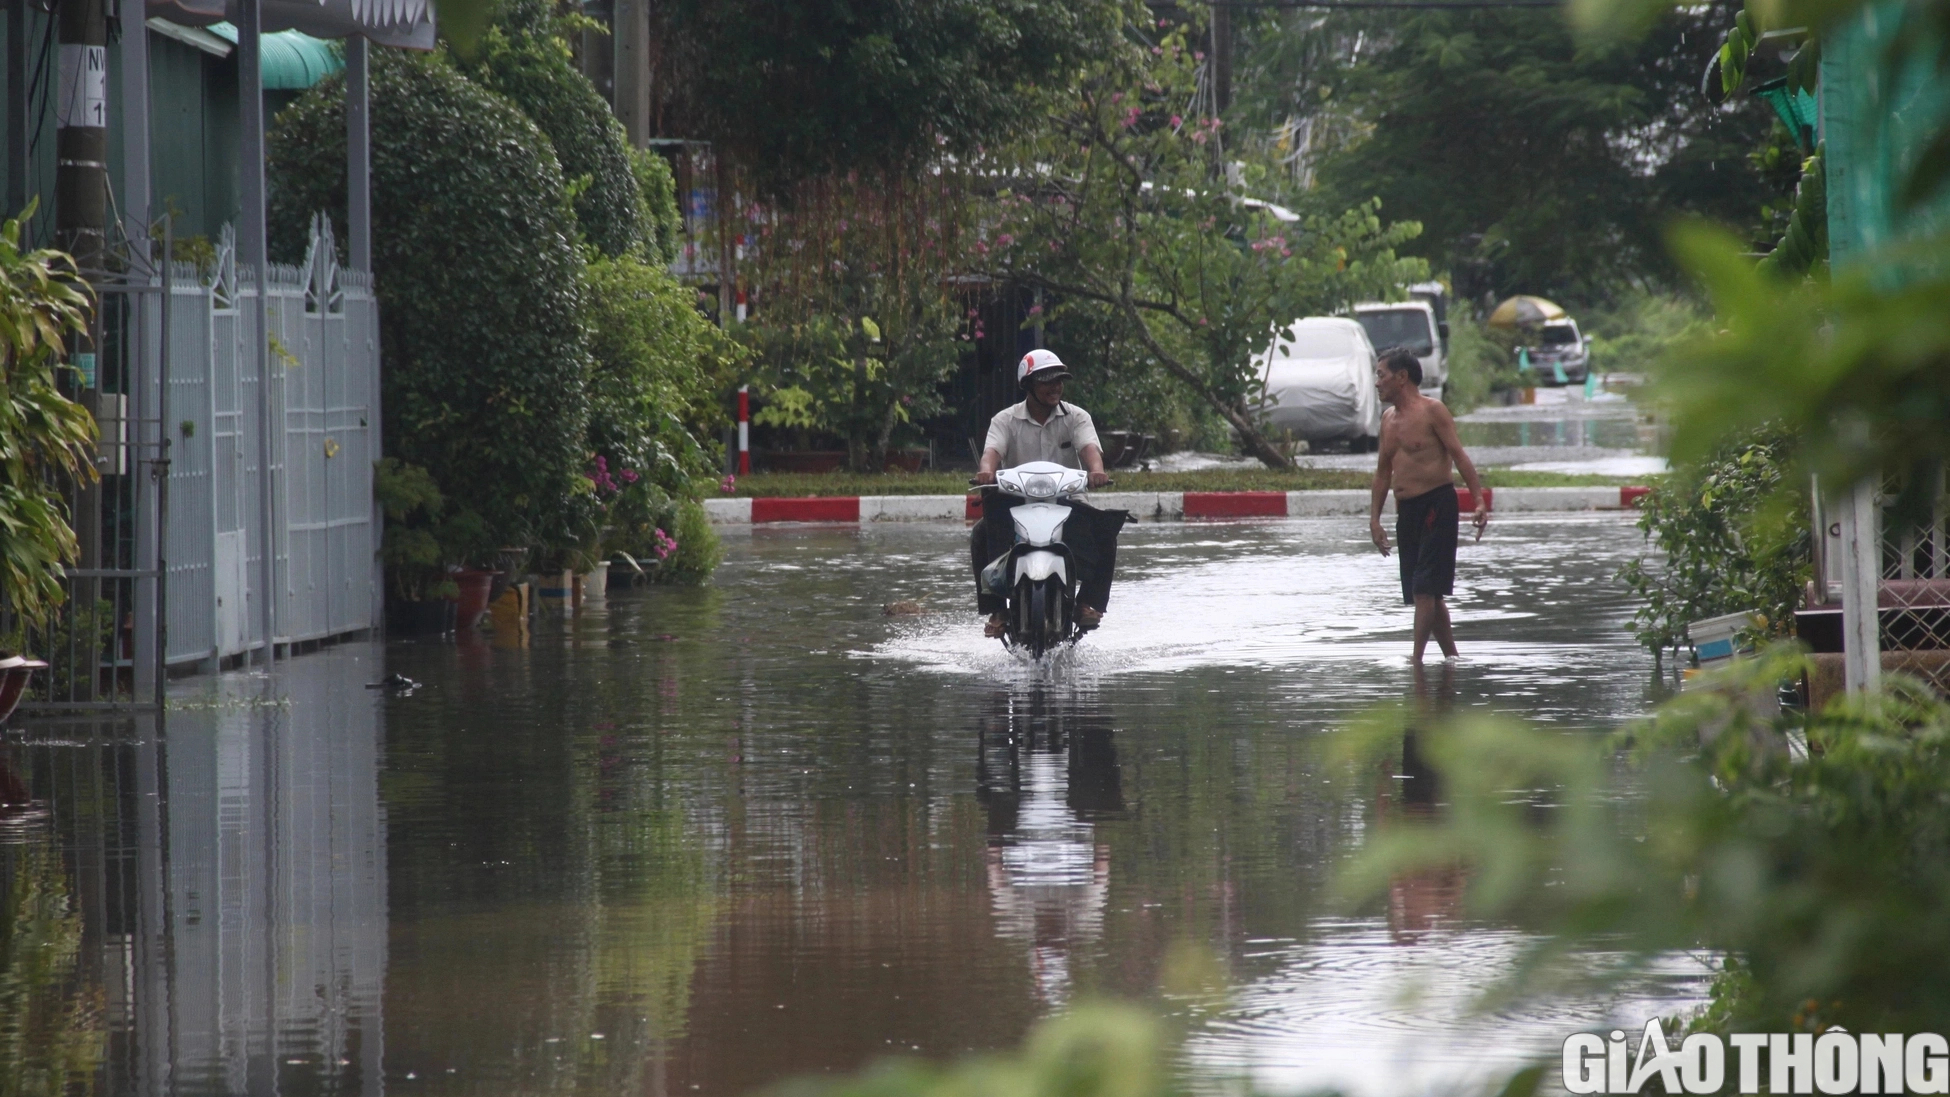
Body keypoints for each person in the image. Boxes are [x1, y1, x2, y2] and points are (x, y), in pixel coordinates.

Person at [971, 350, 1124, 638]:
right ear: (1028, 385)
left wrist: (1096, 471)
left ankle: (1089, 603)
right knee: (980, 534)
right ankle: (997, 609)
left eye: (1059, 381)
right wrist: (986, 471)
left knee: (1106, 533)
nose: (1054, 387)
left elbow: (1089, 448)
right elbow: (991, 452)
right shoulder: (1005, 420)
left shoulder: (1076, 417)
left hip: (1067, 499)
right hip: (1015, 501)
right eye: (1046, 380)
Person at [1368, 346, 1489, 662]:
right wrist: (1375, 520)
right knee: (1428, 595)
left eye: (1381, 375)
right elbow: (1383, 473)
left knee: (1424, 589)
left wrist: (1478, 501)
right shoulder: (1387, 419)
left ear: (1402, 377)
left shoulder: (1433, 411)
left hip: (1437, 504)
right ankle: (1452, 657)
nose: (1377, 382)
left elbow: (1460, 456)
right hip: (1407, 510)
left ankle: (1416, 660)